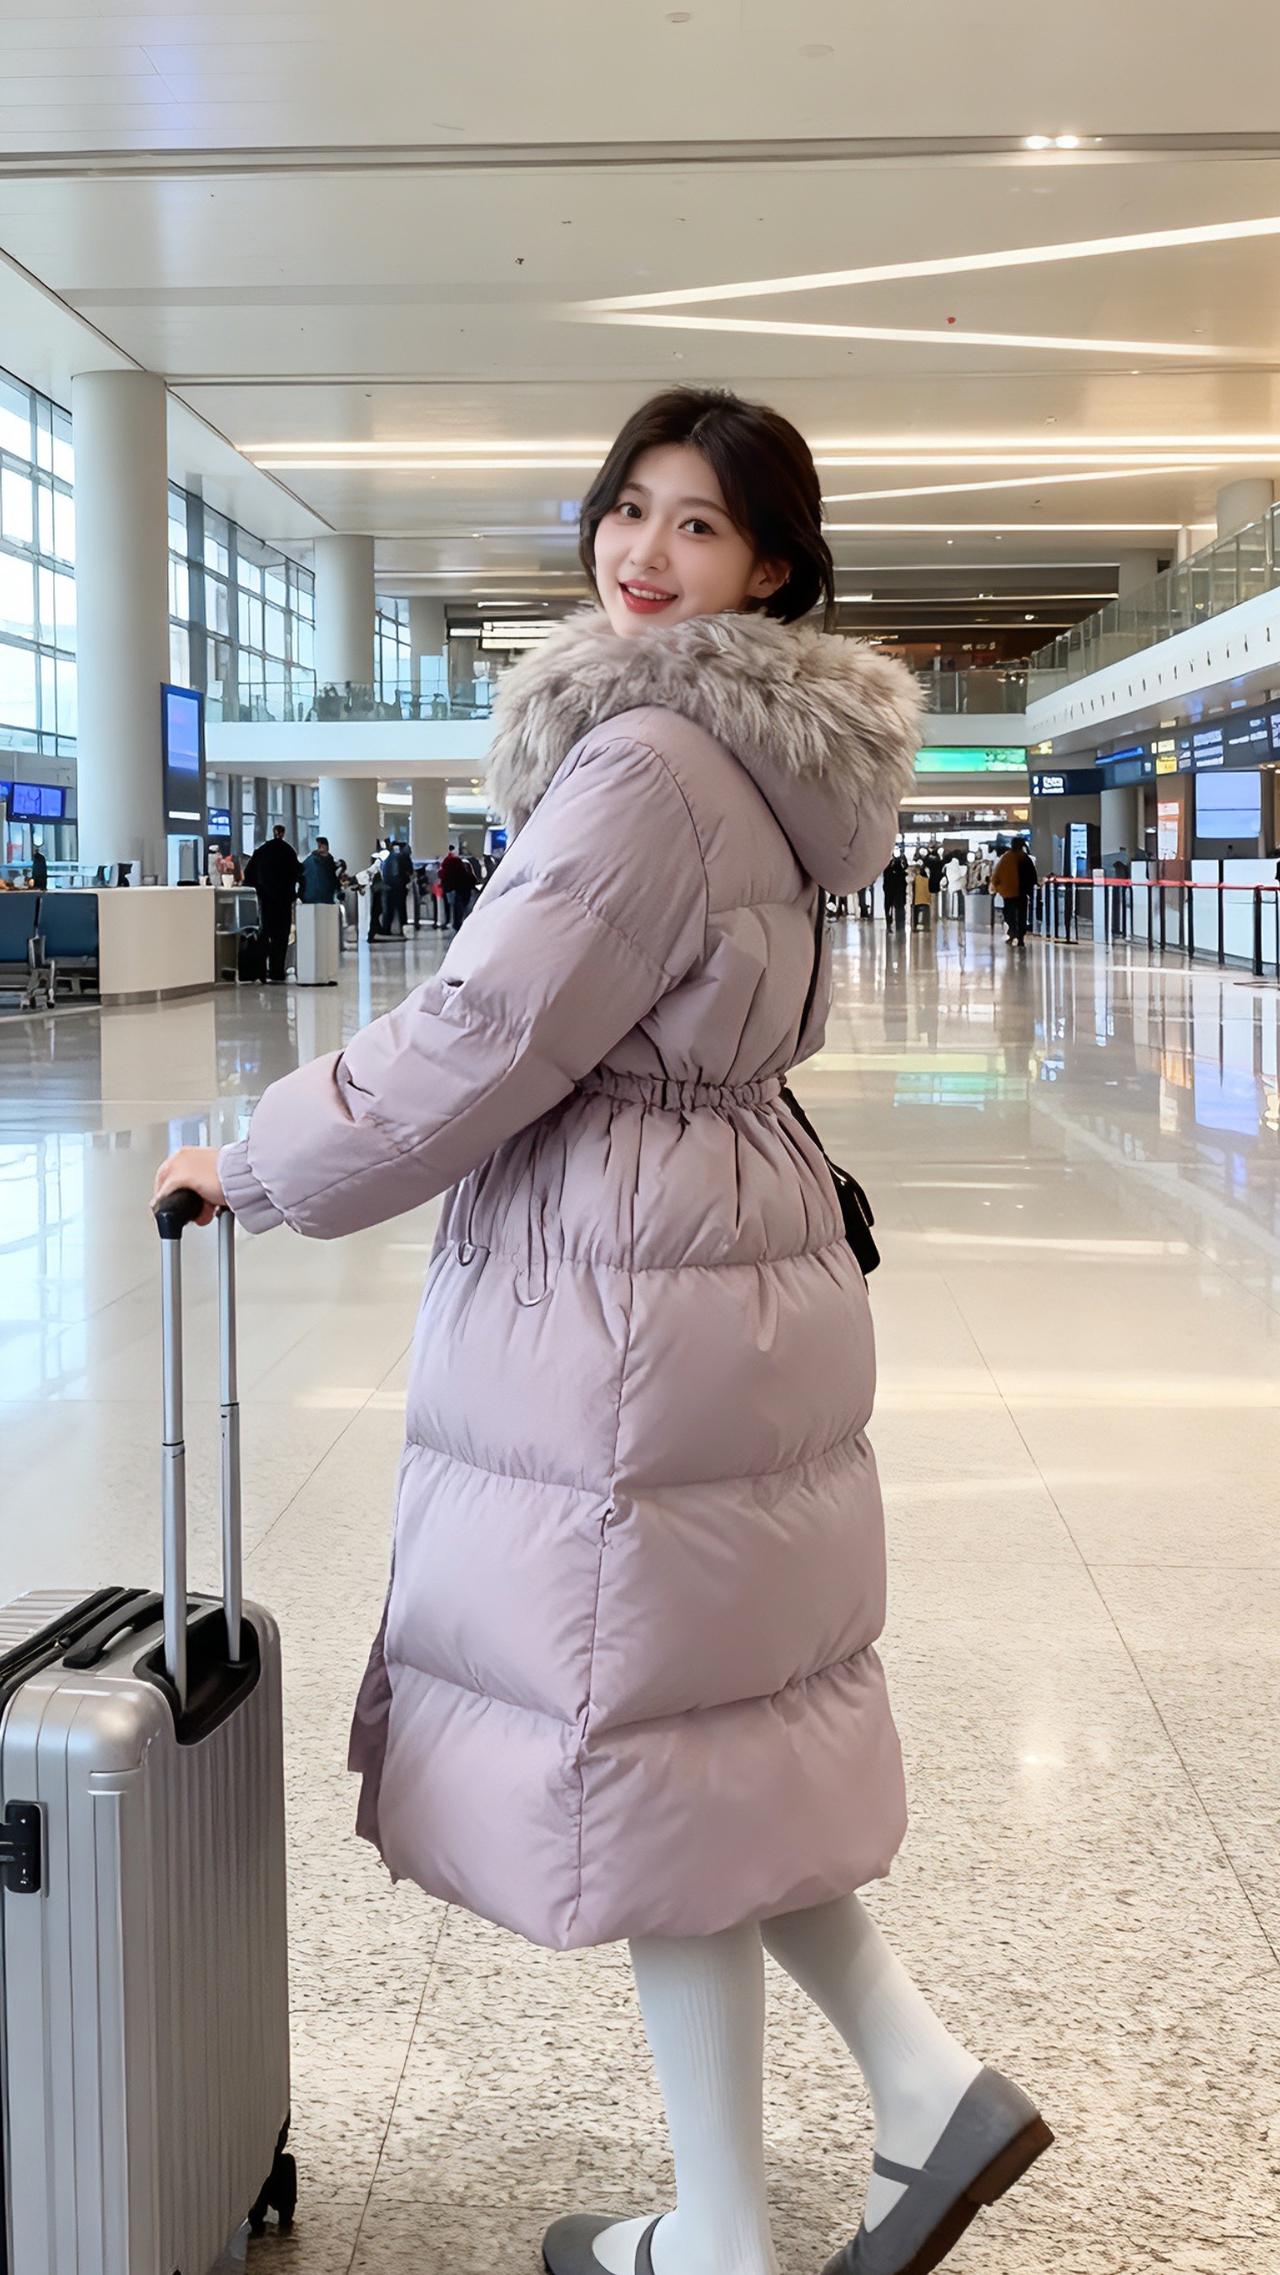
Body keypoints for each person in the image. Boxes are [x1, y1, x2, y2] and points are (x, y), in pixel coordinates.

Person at [154, 386, 1050, 2275]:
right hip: (734, 1250)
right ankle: (912, 2092)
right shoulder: (774, 765)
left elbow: (483, 1033)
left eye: (697, 524)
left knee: (651, 1743)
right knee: (700, 1734)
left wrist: (261, 1160)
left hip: (631, 1278)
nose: (643, 552)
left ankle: (734, 2227)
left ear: (771, 566)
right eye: (629, 506)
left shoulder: (647, 763)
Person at [244, 822, 300, 982]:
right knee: (281, 937)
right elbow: (298, 872)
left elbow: (249, 874)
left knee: (265, 933)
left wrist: (259, 888)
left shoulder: (262, 851)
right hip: (284, 900)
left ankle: (261, 971)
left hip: (266, 900)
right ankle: (277, 971)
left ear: (273, 832)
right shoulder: (289, 851)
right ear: (283, 833)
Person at [992, 838, 1032, 948]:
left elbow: (997, 874)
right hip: (1022, 892)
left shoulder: (1006, 857)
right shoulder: (1025, 858)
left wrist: (996, 886)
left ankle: (1012, 932)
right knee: (1022, 915)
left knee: (1009, 914)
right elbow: (1031, 875)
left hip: (1008, 893)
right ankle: (1020, 937)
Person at [438, 843, 475, 932]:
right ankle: (460, 923)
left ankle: (451, 922)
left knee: (452, 907)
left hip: (450, 888)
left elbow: (442, 874)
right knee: (461, 907)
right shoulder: (457, 861)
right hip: (461, 888)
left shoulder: (446, 861)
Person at [381, 839, 414, 935]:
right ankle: (403, 930)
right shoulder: (404, 856)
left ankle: (386, 930)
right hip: (400, 886)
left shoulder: (387, 857)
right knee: (401, 909)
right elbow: (410, 871)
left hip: (388, 886)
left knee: (389, 909)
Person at [299, 836, 341, 904]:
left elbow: (333, 877)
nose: (320, 848)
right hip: (315, 898)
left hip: (323, 898)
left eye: (320, 845)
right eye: (319, 846)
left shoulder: (329, 861)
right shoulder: (312, 860)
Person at [882, 851, 908, 932]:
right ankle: (897, 926)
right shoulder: (900, 873)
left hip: (891, 893)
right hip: (896, 893)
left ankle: (890, 925)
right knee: (897, 909)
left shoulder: (888, 871)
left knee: (890, 909)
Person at [911, 858, 932, 931]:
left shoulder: (916, 878)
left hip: (917, 900)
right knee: (926, 913)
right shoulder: (927, 879)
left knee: (916, 913)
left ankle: (915, 927)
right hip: (926, 900)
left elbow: (914, 889)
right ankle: (927, 926)